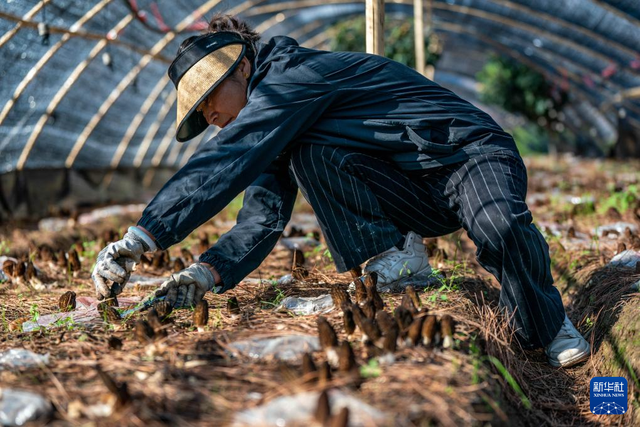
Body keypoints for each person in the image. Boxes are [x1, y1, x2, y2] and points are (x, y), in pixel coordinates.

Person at [91, 14, 590, 368]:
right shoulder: (278, 124)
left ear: (243, 65)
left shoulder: (290, 81)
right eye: (198, 114)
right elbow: (261, 218)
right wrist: (205, 274)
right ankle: (395, 254)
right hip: (414, 191)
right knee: (310, 154)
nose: (208, 117)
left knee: (499, 228)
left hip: (467, 155)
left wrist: (144, 236)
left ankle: (549, 324)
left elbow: (227, 159)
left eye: (207, 100)